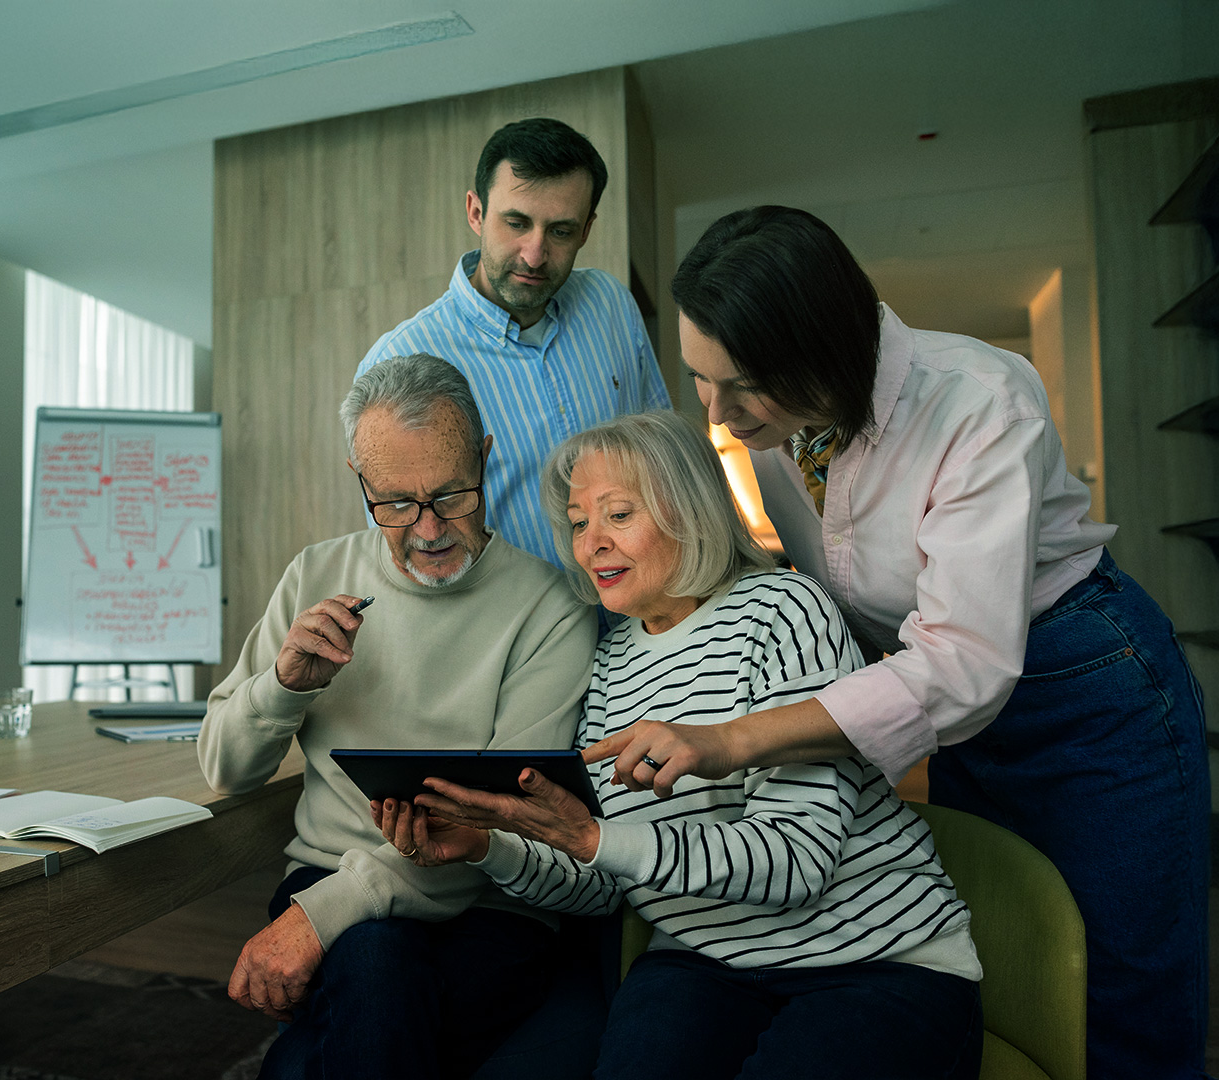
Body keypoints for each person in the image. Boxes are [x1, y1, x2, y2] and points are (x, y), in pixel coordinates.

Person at [598, 206, 1210, 1079]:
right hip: (944, 697)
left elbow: (964, 666)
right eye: (701, 379)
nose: (720, 416)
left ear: (823, 354)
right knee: (1015, 953)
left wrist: (733, 738)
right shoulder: (777, 426)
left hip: (1084, 680)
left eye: (740, 388)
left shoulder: (980, 400)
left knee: (1122, 1006)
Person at [375, 410, 983, 1080]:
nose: (591, 544)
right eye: (579, 523)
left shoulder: (784, 610)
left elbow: (798, 861)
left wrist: (600, 841)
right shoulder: (610, 667)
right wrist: (489, 847)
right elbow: (604, 882)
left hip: (873, 960)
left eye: (618, 514)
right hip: (702, 962)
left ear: (688, 512)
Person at [197, 352, 597, 1080]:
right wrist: (284, 684)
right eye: (395, 503)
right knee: (379, 962)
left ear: (484, 458)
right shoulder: (314, 575)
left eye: (451, 494)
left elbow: (503, 821)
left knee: (361, 991)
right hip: (325, 875)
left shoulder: (550, 607)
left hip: (489, 900)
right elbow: (225, 766)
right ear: (360, 479)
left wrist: (321, 919)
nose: (428, 529)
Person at [358, 116, 669, 571]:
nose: (534, 254)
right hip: (519, 637)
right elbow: (401, 554)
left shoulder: (610, 305)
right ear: (476, 212)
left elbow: (663, 463)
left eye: (561, 231)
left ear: (586, 230)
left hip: (641, 624)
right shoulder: (399, 361)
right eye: (516, 223)